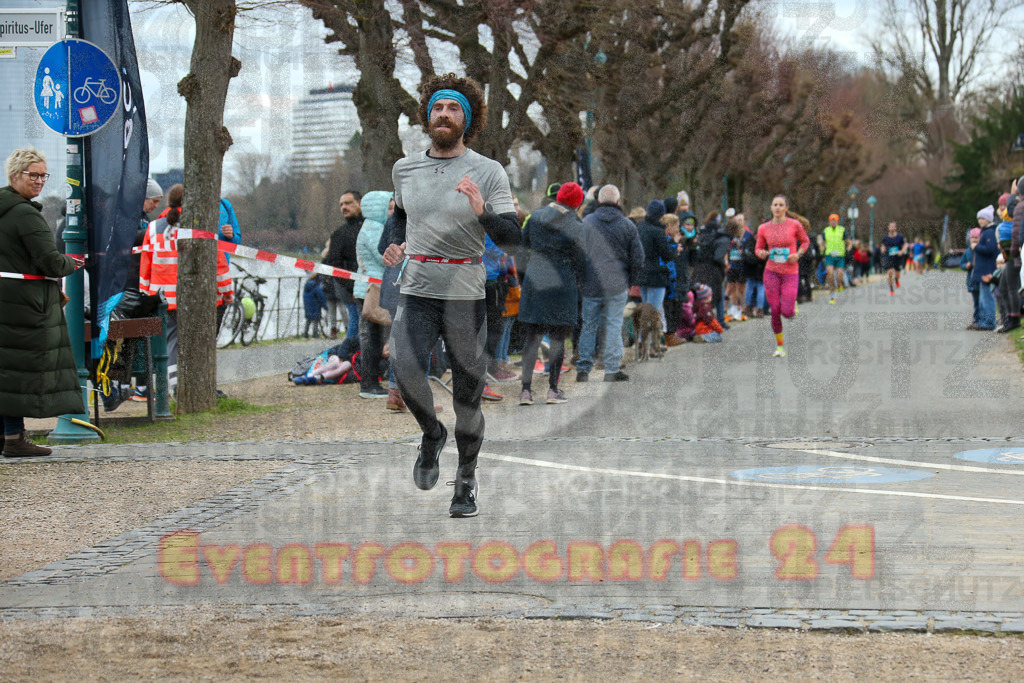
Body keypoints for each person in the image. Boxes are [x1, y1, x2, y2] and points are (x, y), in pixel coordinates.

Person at [383, 73, 520, 518]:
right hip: (418, 286)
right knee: (404, 368)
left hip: (466, 292)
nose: (444, 114)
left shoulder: (488, 171)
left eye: (454, 108)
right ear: (427, 116)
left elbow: (512, 236)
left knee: (467, 398)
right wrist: (394, 243)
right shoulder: (405, 169)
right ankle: (431, 434)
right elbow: (399, 216)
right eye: (438, 107)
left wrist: (482, 211)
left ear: (468, 118)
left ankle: (465, 484)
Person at [0, 148, 86, 457]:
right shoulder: (25, 214)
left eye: (43, 175)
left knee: (5, 369)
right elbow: (49, 261)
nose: (39, 181)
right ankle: (14, 438)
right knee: (19, 372)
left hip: (5, 298)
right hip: (24, 304)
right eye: (32, 175)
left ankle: (5, 436)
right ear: (15, 176)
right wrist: (70, 262)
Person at [139, 184, 233, 393]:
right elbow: (219, 264)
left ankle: (174, 387)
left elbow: (146, 264)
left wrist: (146, 293)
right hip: (197, 297)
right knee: (198, 341)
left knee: (172, 342)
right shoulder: (201, 228)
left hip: (164, 297)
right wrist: (227, 292)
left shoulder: (153, 228)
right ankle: (197, 386)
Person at [516, 182, 586, 406]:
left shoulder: (535, 217)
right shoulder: (576, 225)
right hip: (562, 285)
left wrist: (523, 278)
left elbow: (522, 248)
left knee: (532, 338)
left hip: (535, 280)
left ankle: (525, 391)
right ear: (576, 203)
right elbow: (582, 260)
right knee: (557, 338)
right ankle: (553, 390)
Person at [574, 184, 644, 383]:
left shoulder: (587, 223)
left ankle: (583, 368)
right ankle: (612, 368)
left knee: (589, 325)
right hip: (617, 283)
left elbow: (577, 254)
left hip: (591, 282)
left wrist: (580, 278)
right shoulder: (627, 225)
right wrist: (630, 280)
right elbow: (638, 258)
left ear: (598, 200)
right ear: (618, 201)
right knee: (614, 325)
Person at [755, 194, 810, 358]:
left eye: (781, 205)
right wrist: (761, 253)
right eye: (775, 204)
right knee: (775, 309)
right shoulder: (763, 228)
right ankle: (779, 346)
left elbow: (805, 241)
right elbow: (758, 248)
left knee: (786, 311)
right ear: (771, 208)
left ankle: (792, 307)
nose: (777, 207)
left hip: (790, 272)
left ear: (786, 208)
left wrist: (798, 254)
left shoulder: (795, 225)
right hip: (771, 271)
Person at [353, 190, 391, 398]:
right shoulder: (374, 228)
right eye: (389, 208)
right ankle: (369, 384)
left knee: (372, 338)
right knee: (371, 339)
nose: (392, 212)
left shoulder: (372, 227)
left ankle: (371, 382)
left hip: (369, 288)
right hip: (371, 290)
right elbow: (383, 256)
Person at [321, 191, 363, 340]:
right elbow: (334, 266)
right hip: (351, 290)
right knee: (356, 321)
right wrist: (352, 288)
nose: (344, 207)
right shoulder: (339, 234)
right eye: (341, 204)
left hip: (373, 286)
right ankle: (347, 351)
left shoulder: (372, 227)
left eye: (348, 203)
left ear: (360, 203)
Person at [636, 199, 677, 336]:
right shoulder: (658, 231)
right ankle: (647, 341)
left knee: (646, 309)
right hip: (656, 275)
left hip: (641, 273)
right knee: (653, 311)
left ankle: (643, 340)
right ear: (661, 214)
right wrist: (675, 249)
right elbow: (666, 255)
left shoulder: (639, 228)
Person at [971, 207, 999, 331]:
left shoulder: (989, 232)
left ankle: (989, 322)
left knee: (987, 298)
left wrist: (976, 247)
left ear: (989, 219)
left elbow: (990, 249)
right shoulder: (985, 231)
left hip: (987, 270)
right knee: (982, 299)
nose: (980, 221)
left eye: (983, 218)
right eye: (979, 219)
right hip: (983, 270)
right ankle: (983, 321)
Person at [740, 217, 766, 318]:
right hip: (758, 267)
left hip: (752, 267)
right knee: (758, 288)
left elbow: (745, 254)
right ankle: (758, 309)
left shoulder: (750, 240)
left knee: (752, 288)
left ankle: (750, 308)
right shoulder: (764, 241)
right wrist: (759, 261)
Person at [822, 213, 847, 304]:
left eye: (835, 221)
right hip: (829, 255)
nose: (833, 222)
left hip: (840, 256)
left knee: (839, 276)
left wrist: (848, 248)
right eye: (831, 221)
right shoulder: (825, 231)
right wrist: (821, 250)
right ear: (829, 222)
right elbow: (823, 242)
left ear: (837, 221)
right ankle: (832, 295)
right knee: (830, 274)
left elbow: (848, 241)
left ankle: (839, 284)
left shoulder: (842, 230)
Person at [881, 221, 908, 296]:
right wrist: (882, 249)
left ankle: (896, 280)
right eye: (891, 226)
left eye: (893, 226)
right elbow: (883, 245)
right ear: (888, 228)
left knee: (897, 274)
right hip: (889, 256)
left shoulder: (900, 236)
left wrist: (902, 251)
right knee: (890, 272)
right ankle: (891, 289)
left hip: (898, 257)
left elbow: (906, 245)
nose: (892, 228)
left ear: (895, 228)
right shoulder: (885, 237)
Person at [962, 228, 981, 330]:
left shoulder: (981, 250)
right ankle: (976, 321)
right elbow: (962, 263)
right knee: (976, 303)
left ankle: (985, 319)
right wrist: (966, 265)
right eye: (972, 237)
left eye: (976, 237)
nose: (974, 239)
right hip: (972, 281)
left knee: (983, 302)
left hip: (982, 280)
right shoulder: (967, 252)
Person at [217, 196, 241, 264]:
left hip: (222, 265)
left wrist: (231, 236)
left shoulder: (225, 204)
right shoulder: (191, 204)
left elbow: (237, 240)